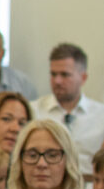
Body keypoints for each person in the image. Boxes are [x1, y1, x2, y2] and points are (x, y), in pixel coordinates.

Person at [31, 43, 104, 176]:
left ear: (83, 78)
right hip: (44, 182)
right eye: (53, 74)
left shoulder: (101, 115)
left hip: (88, 185)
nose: (57, 81)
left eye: (65, 75)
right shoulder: (33, 111)